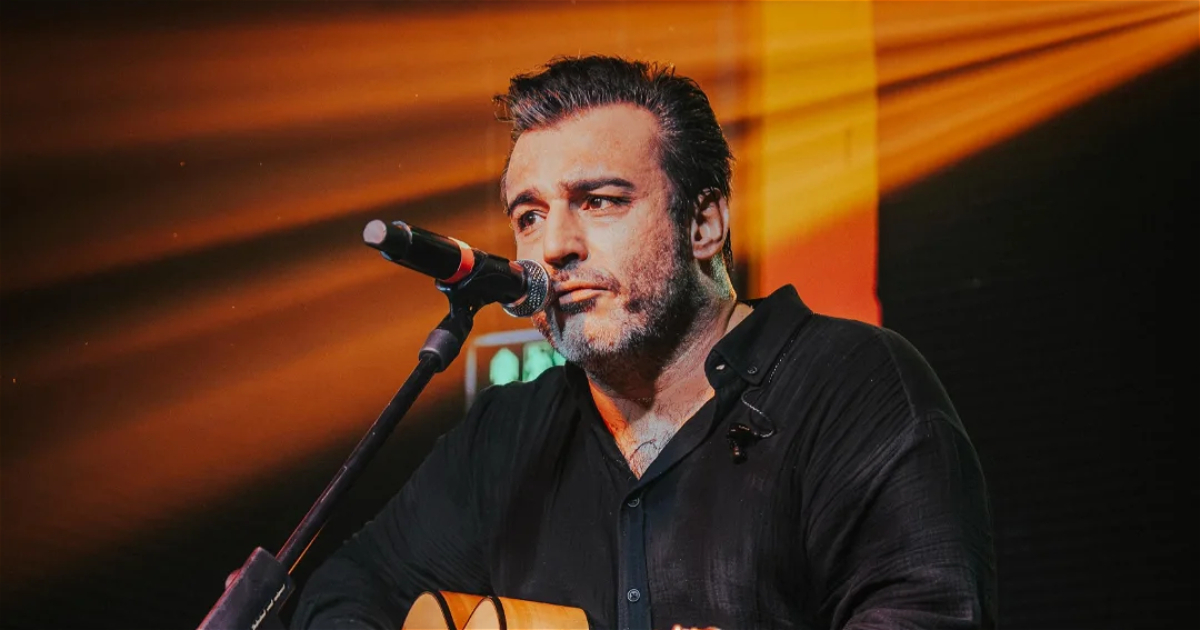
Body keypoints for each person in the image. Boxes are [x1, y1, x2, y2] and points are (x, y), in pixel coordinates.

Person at [290, 55, 996, 630]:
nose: (554, 246)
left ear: (704, 224)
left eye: (599, 201)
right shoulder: (506, 437)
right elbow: (343, 595)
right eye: (529, 216)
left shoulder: (853, 386)